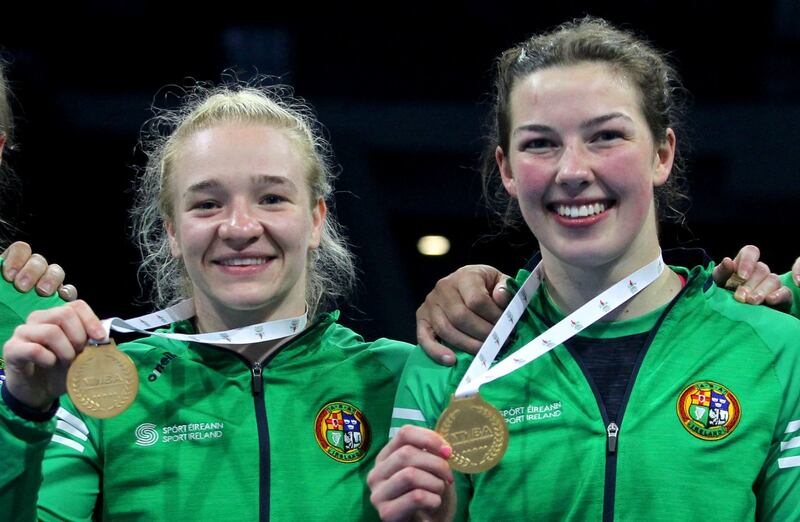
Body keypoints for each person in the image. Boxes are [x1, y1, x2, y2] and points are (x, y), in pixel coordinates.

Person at [368, 17, 800, 521]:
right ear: (506, 170)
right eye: (540, 143)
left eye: (606, 136)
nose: (572, 171)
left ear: (662, 153)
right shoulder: (451, 358)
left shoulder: (774, 350)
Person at [0, 82, 414, 520]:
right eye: (207, 204)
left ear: (315, 220)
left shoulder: (401, 378)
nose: (238, 227)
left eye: (272, 198)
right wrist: (24, 412)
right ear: (174, 232)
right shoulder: (105, 386)